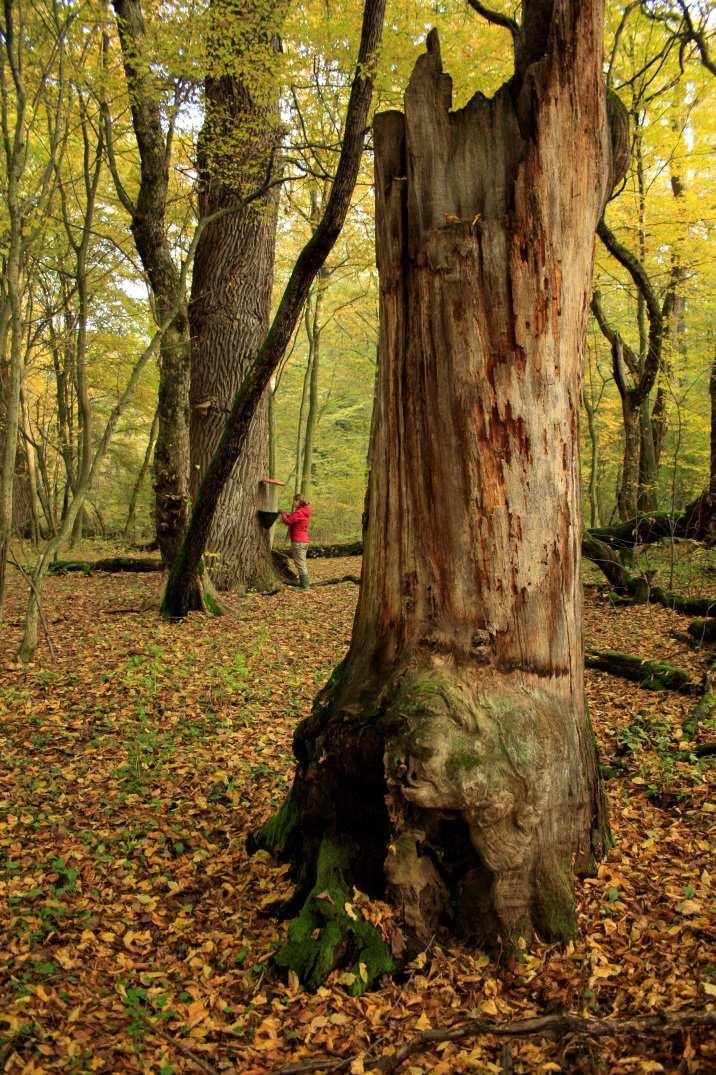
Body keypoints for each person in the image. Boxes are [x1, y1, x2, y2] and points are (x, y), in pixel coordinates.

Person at [281, 494, 312, 589]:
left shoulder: (299, 512)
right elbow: (292, 519)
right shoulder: (304, 511)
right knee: (301, 562)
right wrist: (287, 515)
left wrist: (282, 514)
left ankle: (304, 586)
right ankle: (304, 584)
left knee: (300, 563)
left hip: (299, 541)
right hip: (304, 540)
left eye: (294, 500)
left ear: (299, 501)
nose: (293, 502)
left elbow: (288, 521)